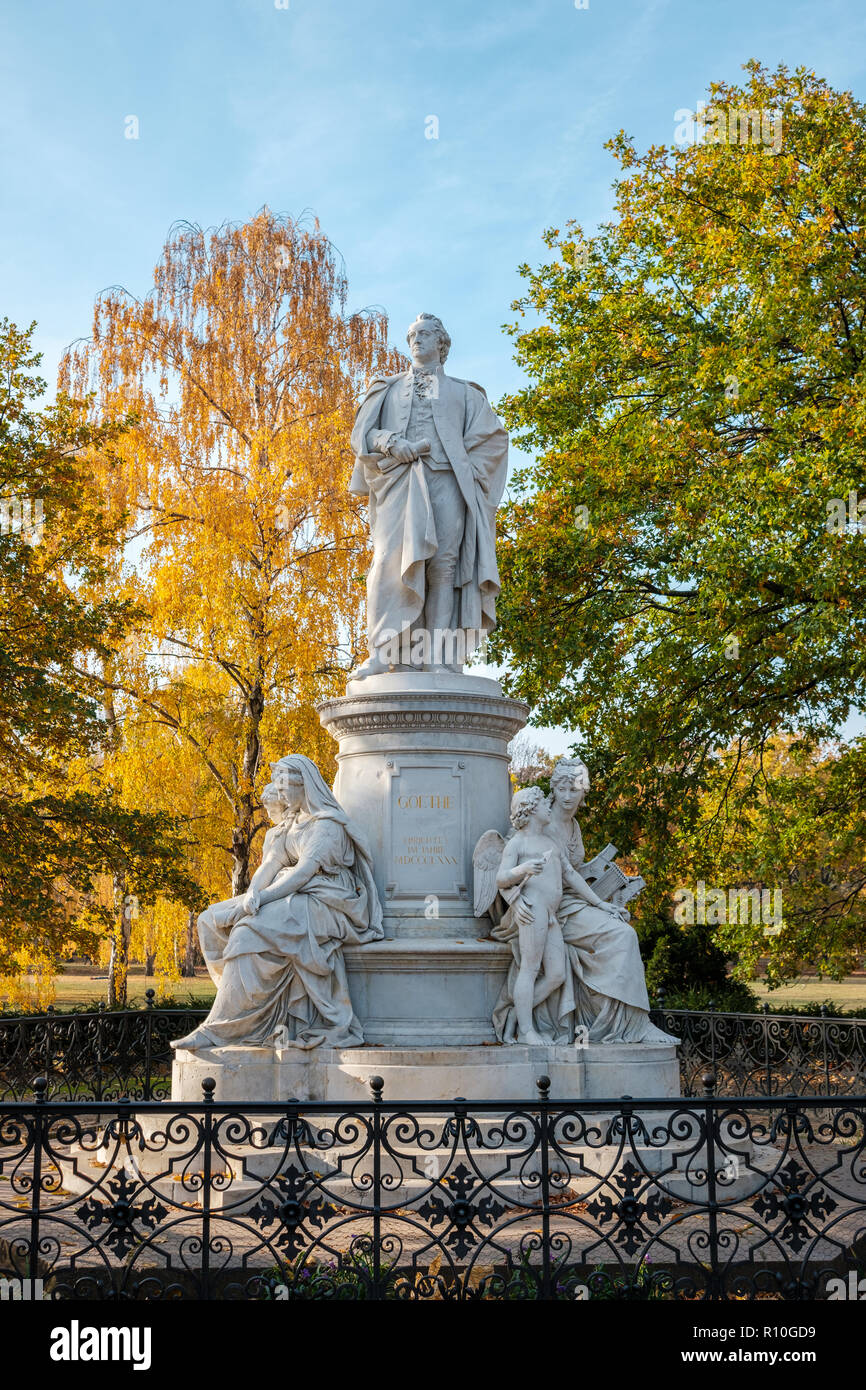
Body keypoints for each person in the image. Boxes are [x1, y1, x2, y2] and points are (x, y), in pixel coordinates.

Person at [171, 755, 382, 1051]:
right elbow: (270, 865)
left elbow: (303, 873)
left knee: (246, 932)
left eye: (284, 789)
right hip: (298, 895)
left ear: (303, 786)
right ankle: (242, 1014)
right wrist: (255, 892)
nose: (279, 795)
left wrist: (262, 900)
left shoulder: (327, 827)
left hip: (331, 904)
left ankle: (221, 1029)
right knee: (210, 918)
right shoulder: (291, 825)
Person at [348, 313, 508, 677]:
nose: (416, 341)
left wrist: (467, 471)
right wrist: (391, 442)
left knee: (443, 568)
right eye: (412, 335)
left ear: (442, 344)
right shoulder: (386, 388)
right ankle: (383, 653)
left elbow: (493, 441)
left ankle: (437, 658)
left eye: (424, 334)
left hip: (447, 482)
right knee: (388, 561)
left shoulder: (466, 394)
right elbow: (364, 435)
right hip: (401, 482)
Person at [545, 758, 676, 1044]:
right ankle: (632, 1025)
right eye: (563, 789)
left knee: (622, 929)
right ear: (553, 789)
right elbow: (558, 874)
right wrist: (599, 903)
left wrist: (606, 897)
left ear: (583, 792)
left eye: (575, 790)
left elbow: (576, 873)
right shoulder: (542, 822)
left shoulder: (573, 825)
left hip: (577, 903)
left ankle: (631, 1022)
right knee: (623, 936)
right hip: (555, 909)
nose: (568, 797)